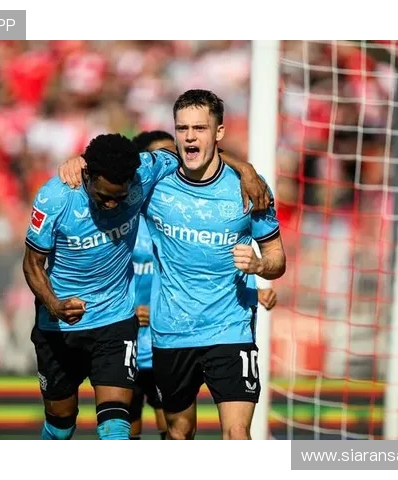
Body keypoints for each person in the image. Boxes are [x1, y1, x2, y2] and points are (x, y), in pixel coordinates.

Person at [57, 89, 286, 440]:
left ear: (219, 132)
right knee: (178, 432)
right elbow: (114, 164)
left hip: (230, 328)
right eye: (182, 128)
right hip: (171, 333)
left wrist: (258, 265)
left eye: (200, 128)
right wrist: (79, 162)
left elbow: (277, 259)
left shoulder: (247, 188)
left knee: (238, 434)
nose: (190, 136)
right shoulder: (154, 180)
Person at [128, 130, 175, 440]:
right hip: (125, 340)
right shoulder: (121, 216)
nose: (171, 165)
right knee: (124, 424)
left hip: (166, 341)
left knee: (174, 427)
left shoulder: (183, 214)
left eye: (175, 157)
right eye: (162, 158)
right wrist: (128, 309)